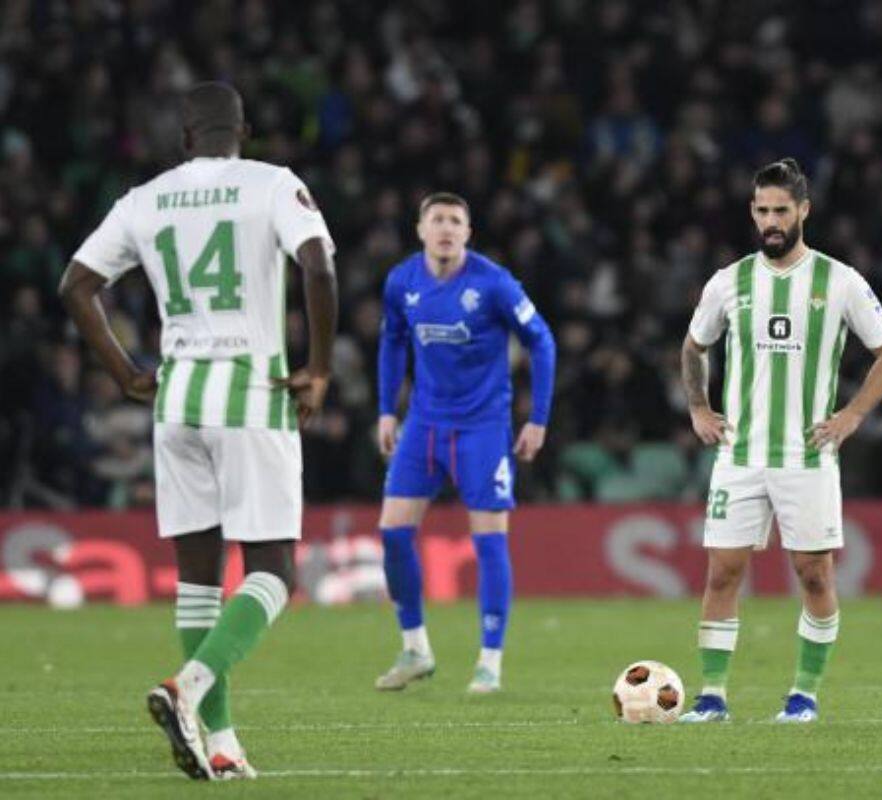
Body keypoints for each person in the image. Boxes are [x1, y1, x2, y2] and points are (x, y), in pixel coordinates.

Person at [59, 82, 337, 779]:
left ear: (183, 136)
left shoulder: (143, 200)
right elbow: (319, 266)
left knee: (198, 583)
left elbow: (76, 286)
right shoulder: (273, 184)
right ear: (243, 129)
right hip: (249, 394)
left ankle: (222, 741)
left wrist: (125, 373)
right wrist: (320, 367)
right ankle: (188, 685)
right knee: (274, 572)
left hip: (175, 400)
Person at [677, 158, 882, 723]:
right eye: (762, 211)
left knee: (814, 574)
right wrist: (700, 407)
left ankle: (803, 695)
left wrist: (851, 415)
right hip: (741, 455)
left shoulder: (841, 280)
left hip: (807, 456)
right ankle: (712, 698)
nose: (771, 221)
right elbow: (692, 347)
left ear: (804, 210)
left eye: (781, 210)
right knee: (723, 573)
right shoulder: (729, 281)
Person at [374, 192, 555, 694]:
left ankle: (489, 662)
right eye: (437, 220)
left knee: (489, 539)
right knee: (392, 533)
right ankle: (415, 648)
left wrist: (537, 419)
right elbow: (391, 341)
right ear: (421, 229)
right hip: (424, 426)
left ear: (468, 232)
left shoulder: (494, 284)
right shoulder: (402, 282)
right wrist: (388, 409)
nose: (446, 228)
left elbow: (542, 340)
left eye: (456, 221)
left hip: (482, 430)